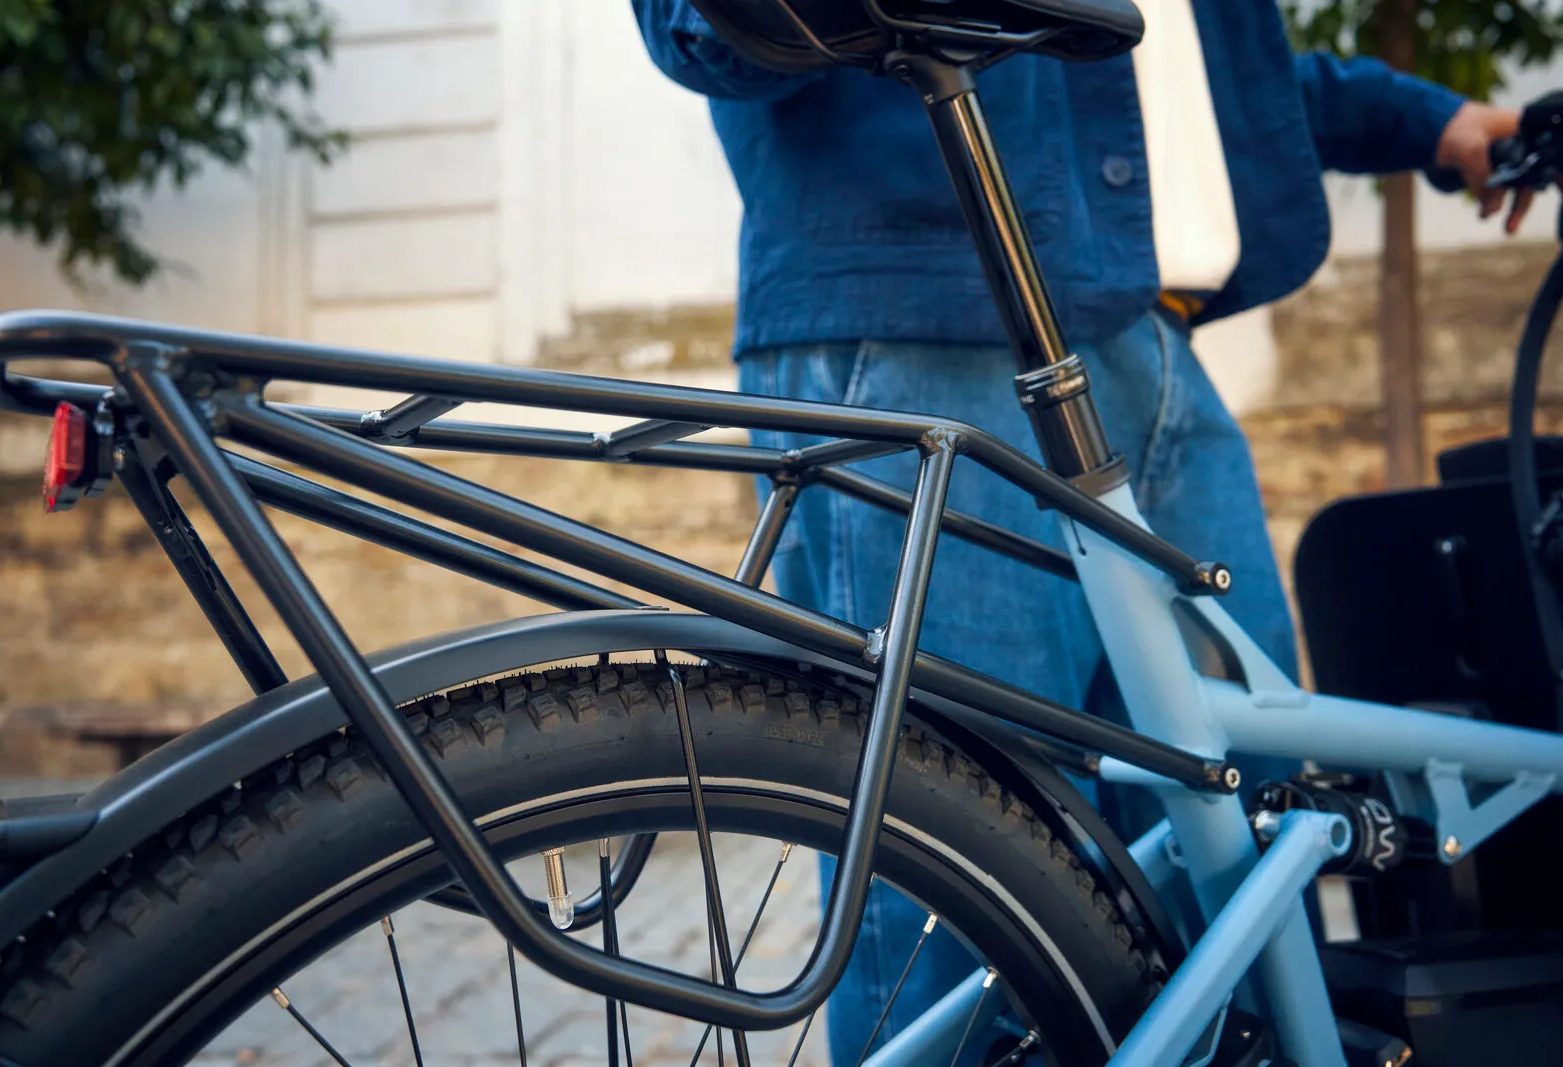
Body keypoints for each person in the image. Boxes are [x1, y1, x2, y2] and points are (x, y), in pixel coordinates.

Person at [631, 2, 1530, 1064]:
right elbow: (697, 24)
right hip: (925, 319)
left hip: (1146, 344)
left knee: (1243, 818)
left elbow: (1195, 67)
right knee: (963, 842)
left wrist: (1434, 120)